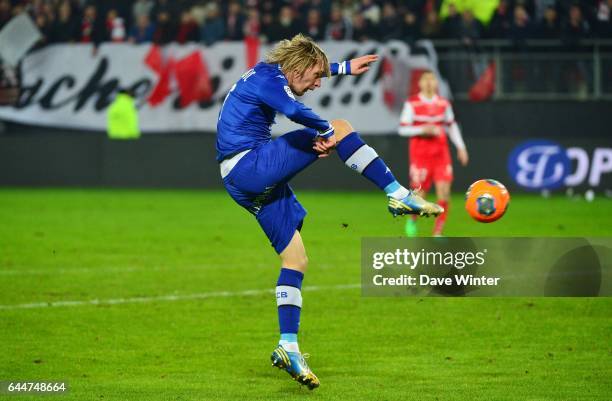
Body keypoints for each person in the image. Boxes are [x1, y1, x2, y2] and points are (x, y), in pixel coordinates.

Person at [216, 34, 442, 389]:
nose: (319, 83)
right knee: (340, 127)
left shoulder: (270, 74)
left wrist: (343, 68)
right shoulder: (269, 79)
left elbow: (301, 78)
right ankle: (397, 194)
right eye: (317, 75)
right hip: (248, 165)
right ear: (300, 67)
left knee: (296, 260)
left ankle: (288, 345)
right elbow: (292, 110)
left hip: (247, 181)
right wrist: (325, 131)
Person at [398, 71, 469, 237]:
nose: (429, 82)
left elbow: (451, 126)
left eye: (432, 79)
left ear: (436, 83)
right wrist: (422, 129)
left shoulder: (443, 104)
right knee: (420, 195)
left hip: (441, 154)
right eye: (426, 80)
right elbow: (402, 129)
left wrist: (461, 147)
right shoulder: (412, 103)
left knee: (444, 192)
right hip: (420, 155)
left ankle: (437, 232)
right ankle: (412, 220)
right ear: (420, 84)